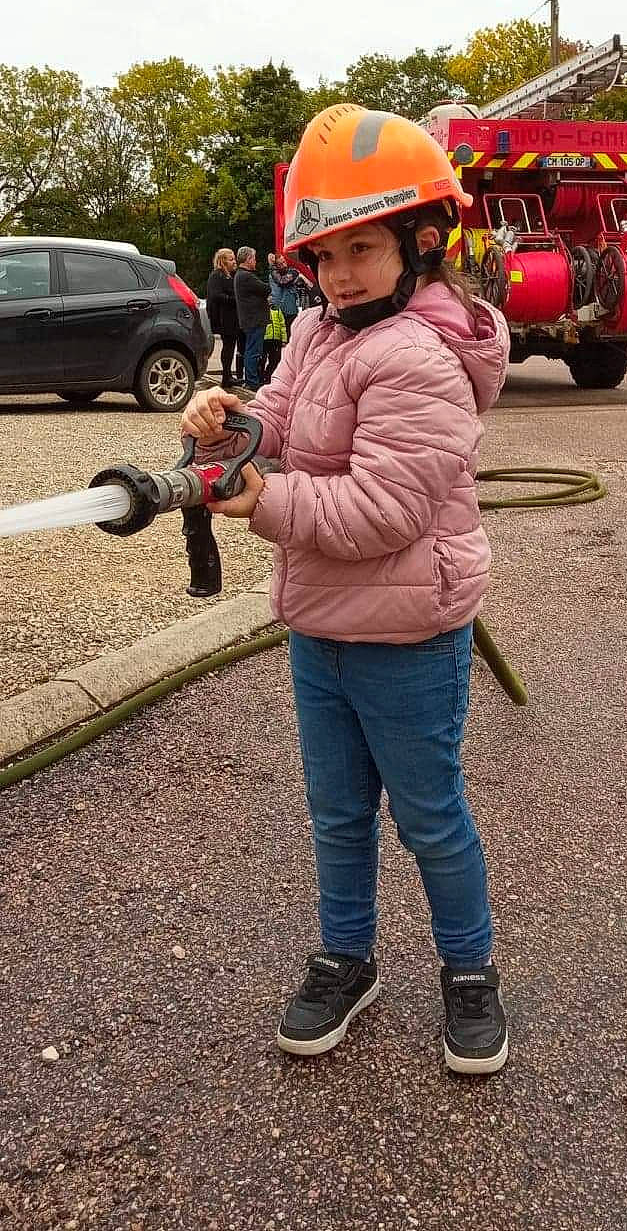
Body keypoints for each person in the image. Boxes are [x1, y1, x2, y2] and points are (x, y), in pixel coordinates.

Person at [181, 106, 510, 1076]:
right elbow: (279, 416)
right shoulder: (324, 335)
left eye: (362, 249)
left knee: (428, 816)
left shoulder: (417, 357)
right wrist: (227, 418)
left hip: (409, 633)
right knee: (335, 812)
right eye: (324, 257)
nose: (339, 275)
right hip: (320, 629)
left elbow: (383, 513)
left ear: (420, 244)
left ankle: (470, 972)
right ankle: (348, 958)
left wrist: (265, 501)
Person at [233, 246, 270, 392]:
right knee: (253, 351)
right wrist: (271, 268)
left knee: (251, 349)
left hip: (249, 319)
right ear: (248, 259)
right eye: (254, 258)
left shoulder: (240, 275)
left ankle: (251, 378)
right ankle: (252, 380)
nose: (255, 261)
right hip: (254, 319)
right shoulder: (246, 276)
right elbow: (266, 289)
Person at [205, 248, 242, 391]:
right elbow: (216, 295)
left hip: (230, 316)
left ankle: (228, 375)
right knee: (228, 346)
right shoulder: (217, 275)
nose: (234, 262)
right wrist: (234, 300)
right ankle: (226, 376)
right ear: (223, 261)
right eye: (231, 259)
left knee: (230, 346)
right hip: (223, 317)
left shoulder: (229, 276)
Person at [268, 252, 305, 337]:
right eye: (280, 264)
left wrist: (272, 266)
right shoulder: (273, 274)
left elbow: (283, 282)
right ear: (276, 266)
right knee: (278, 337)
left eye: (284, 262)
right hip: (277, 310)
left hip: (290, 310)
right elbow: (278, 281)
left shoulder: (293, 272)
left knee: (290, 335)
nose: (284, 265)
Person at [263, 304, 287, 382]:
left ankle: (268, 376)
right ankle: (261, 377)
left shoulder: (277, 309)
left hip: (276, 339)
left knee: (274, 359)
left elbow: (282, 325)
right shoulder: (262, 309)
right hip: (265, 339)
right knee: (262, 359)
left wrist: (283, 339)